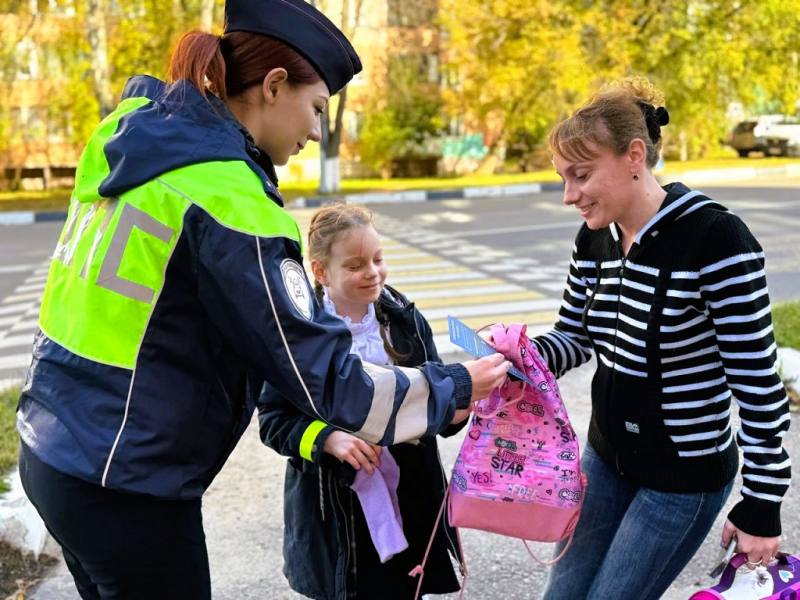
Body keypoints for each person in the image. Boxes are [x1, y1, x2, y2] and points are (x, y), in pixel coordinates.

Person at [15, 2, 509, 598]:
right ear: (274, 87)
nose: (316, 131)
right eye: (317, 108)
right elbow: (332, 385)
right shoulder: (233, 205)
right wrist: (457, 384)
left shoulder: (132, 136)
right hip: (127, 484)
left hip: (54, 449)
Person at [529, 77, 791, 600]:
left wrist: (762, 502)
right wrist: (521, 357)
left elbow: (758, 384)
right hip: (605, 458)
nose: (569, 196)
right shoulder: (596, 236)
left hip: (681, 479)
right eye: (563, 178)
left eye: (581, 176)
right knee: (561, 595)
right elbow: (576, 334)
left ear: (633, 156)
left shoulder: (716, 239)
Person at [259, 204, 465, 599]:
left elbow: (438, 406)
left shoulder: (404, 318)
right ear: (320, 271)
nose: (372, 272)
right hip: (340, 513)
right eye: (355, 265)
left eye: (378, 259)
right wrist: (328, 440)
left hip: (411, 498)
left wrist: (466, 400)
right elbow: (273, 419)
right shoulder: (300, 335)